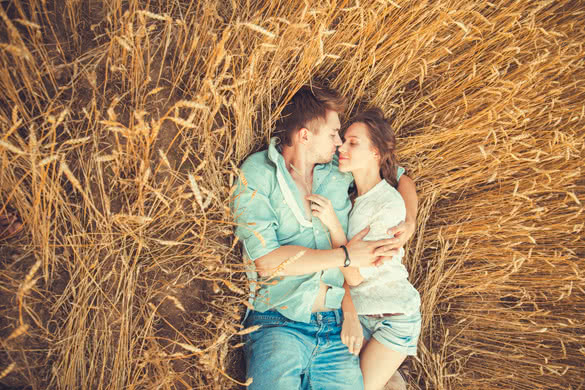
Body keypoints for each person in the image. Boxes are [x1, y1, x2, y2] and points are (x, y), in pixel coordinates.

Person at [230, 84, 418, 390]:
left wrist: (409, 222)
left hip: (335, 327)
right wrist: (345, 256)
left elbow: (399, 175)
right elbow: (266, 261)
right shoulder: (258, 173)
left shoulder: (336, 170)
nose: (339, 141)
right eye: (333, 133)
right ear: (305, 135)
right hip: (279, 322)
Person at [307, 107, 421, 390]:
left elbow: (356, 276)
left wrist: (333, 225)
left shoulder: (387, 203)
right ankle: (392, 378)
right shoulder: (354, 197)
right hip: (360, 313)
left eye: (353, 143)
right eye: (342, 140)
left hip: (392, 316)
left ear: (375, 153)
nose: (341, 148)